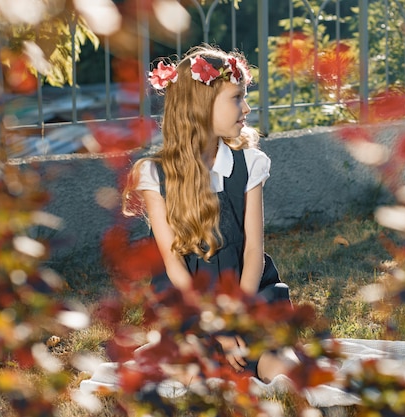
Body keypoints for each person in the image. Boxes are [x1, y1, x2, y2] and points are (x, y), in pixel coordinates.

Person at [122, 45, 294, 383]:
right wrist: (217, 328)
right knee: (183, 369)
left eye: (245, 97)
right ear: (201, 107)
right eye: (236, 98)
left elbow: (253, 253)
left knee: (277, 361)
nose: (246, 107)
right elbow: (174, 266)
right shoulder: (154, 175)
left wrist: (235, 323)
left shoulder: (250, 165)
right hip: (191, 302)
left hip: (247, 295)